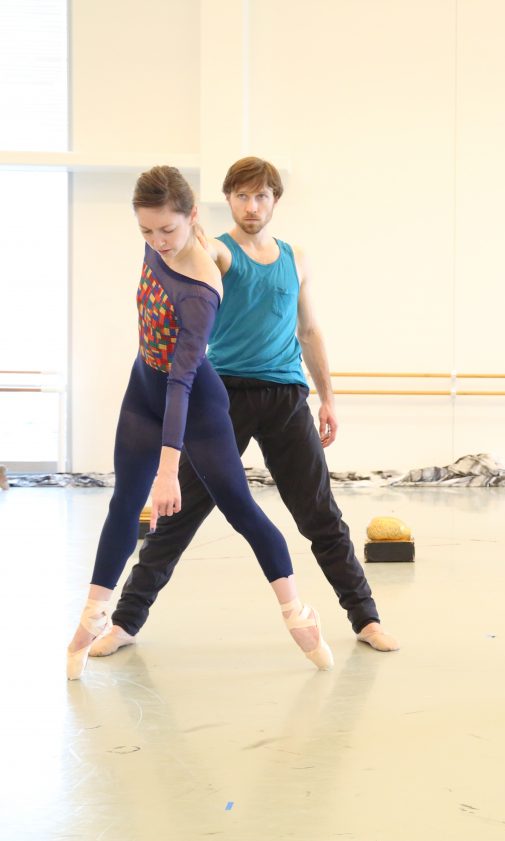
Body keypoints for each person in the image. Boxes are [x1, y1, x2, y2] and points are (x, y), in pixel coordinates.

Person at [89, 157, 398, 660]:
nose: (251, 206)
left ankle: (365, 617)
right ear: (226, 200)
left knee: (320, 514)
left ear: (275, 200)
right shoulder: (216, 251)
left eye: (261, 196)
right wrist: (178, 229)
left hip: (286, 398)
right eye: (241, 196)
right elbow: (190, 245)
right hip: (222, 398)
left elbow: (310, 329)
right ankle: (125, 621)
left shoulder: (296, 257)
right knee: (177, 516)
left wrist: (329, 398)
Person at [67, 165, 330, 680]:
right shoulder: (158, 240)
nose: (157, 242)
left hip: (197, 403)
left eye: (167, 230)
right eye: (146, 231)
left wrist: (169, 471)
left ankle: (296, 611)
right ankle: (94, 614)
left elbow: (182, 381)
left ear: (191, 219)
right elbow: (157, 360)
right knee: (124, 502)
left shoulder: (201, 291)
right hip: (142, 389)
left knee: (241, 510)